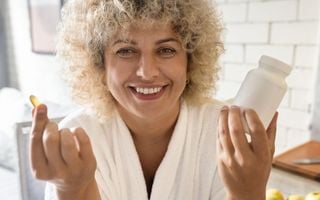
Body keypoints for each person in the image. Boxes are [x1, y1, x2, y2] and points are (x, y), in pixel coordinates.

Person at [30, 0, 278, 199]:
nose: (147, 72)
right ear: (99, 64)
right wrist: (70, 190)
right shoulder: (78, 137)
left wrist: (248, 193)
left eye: (166, 50)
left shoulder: (223, 129)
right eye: (125, 51)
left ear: (190, 60)